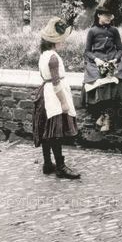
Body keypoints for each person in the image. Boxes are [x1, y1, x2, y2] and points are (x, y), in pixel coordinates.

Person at [32, 16, 80, 179]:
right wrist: (64, 103)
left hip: (46, 95)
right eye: (62, 39)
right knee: (55, 132)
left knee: (47, 131)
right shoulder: (53, 57)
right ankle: (60, 166)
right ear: (55, 41)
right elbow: (55, 83)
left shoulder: (44, 54)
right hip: (53, 97)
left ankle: (47, 163)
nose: (63, 42)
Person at [81, 0, 122, 133]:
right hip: (97, 62)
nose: (109, 18)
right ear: (99, 15)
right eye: (106, 15)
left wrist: (115, 60)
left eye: (111, 16)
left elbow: (120, 49)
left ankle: (105, 116)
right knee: (100, 81)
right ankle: (105, 116)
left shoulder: (114, 31)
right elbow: (87, 51)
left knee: (116, 82)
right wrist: (96, 59)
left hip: (112, 61)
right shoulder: (92, 31)